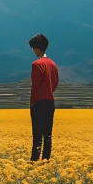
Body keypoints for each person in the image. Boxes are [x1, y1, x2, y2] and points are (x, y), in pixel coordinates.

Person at [28, 33, 59, 161]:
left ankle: (34, 160)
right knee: (48, 134)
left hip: (38, 102)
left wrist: (32, 102)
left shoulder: (37, 64)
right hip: (50, 102)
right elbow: (56, 82)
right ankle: (46, 160)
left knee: (37, 133)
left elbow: (35, 85)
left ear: (36, 48)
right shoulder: (53, 64)